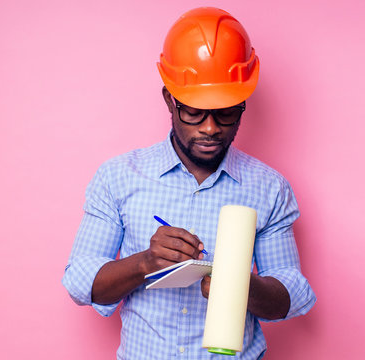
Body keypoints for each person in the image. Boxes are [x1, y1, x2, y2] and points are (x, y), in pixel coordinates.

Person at [62, 7, 316, 359]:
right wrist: (144, 263)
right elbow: (80, 283)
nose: (210, 128)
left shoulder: (269, 188)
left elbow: (291, 292)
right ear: (170, 99)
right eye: (194, 111)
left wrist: (243, 286)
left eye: (226, 111)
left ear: (243, 101)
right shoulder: (118, 177)